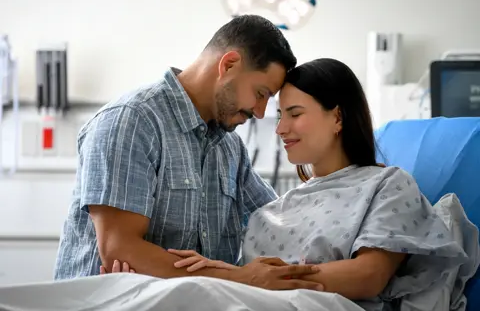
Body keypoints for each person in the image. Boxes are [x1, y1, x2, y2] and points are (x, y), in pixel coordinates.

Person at [108, 58, 467, 310]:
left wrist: (252, 280)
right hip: (248, 300)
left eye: (294, 115)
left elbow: (369, 275)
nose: (280, 129)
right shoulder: (277, 208)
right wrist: (230, 275)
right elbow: (252, 278)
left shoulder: (387, 185)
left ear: (337, 116)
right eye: (280, 116)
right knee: (126, 296)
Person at [53, 15, 326, 291]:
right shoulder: (132, 122)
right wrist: (238, 278)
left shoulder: (230, 148)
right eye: (260, 93)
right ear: (228, 65)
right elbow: (119, 249)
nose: (259, 112)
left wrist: (352, 196)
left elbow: (279, 221)